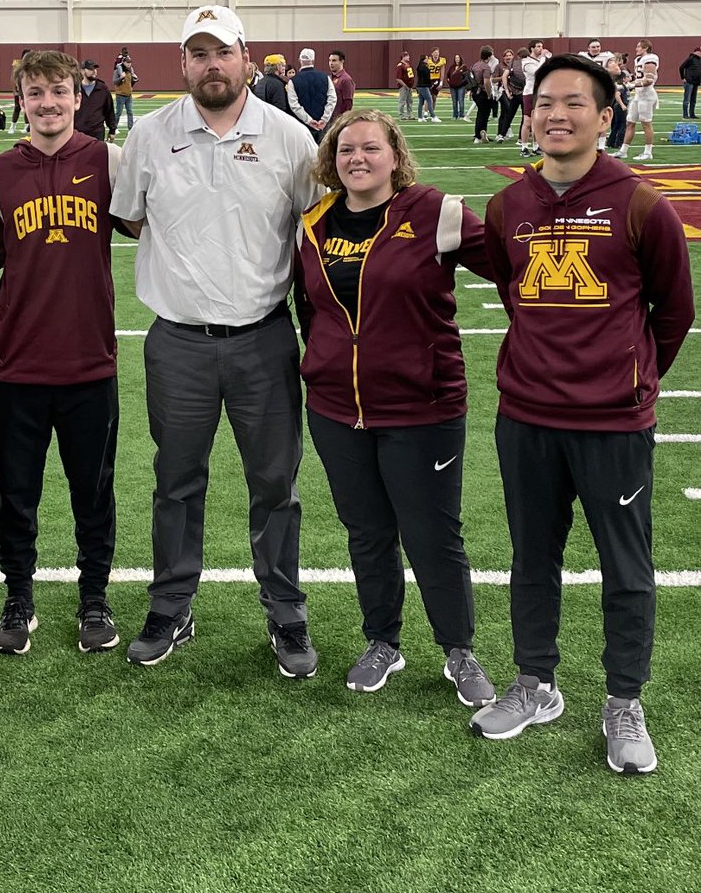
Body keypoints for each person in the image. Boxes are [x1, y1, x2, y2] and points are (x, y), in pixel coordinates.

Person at [470, 54, 694, 774]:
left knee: (626, 565)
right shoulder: (509, 206)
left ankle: (624, 699)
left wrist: (629, 378)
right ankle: (536, 683)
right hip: (527, 416)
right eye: (544, 104)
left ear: (606, 116)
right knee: (532, 558)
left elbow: (674, 309)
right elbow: (514, 294)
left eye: (574, 103)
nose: (554, 115)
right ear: (529, 115)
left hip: (613, 423)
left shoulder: (639, 203)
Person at [111, 4, 320, 678]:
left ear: (245, 58)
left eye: (221, 52)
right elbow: (131, 220)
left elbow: (315, 233)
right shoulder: (150, 135)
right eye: (197, 54)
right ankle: (171, 607)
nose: (211, 64)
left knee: (275, 486)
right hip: (178, 342)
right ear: (183, 64)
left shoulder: (289, 139)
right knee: (176, 481)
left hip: (264, 339)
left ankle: (285, 612)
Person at [295, 109, 496, 708]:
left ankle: (458, 649)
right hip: (335, 407)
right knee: (367, 532)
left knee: (434, 532)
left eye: (371, 148)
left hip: (422, 406)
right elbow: (310, 308)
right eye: (346, 149)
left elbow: (516, 273)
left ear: (394, 154)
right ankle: (383, 639)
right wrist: (326, 362)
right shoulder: (313, 221)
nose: (358, 158)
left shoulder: (437, 211)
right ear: (332, 159)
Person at [0, 51, 122, 658]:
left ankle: (94, 597)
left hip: (90, 360)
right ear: (21, 100)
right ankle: (18, 598)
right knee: (16, 493)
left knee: (94, 490)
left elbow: (157, 224)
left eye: (59, 90)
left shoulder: (109, 160)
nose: (49, 103)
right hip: (17, 364)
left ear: (77, 93)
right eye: (36, 93)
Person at [616, 40, 660, 162]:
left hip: (647, 95)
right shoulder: (638, 60)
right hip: (638, 96)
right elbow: (640, 77)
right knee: (630, 122)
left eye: (638, 47)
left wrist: (632, 85)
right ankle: (623, 151)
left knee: (646, 123)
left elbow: (649, 80)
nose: (636, 49)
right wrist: (628, 82)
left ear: (645, 48)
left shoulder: (650, 59)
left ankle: (648, 152)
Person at [288, 47, 337, 141]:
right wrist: (324, 119)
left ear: (300, 60)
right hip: (322, 126)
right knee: (323, 152)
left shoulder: (293, 81)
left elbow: (294, 105)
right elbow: (332, 99)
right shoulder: (325, 78)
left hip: (302, 125)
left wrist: (309, 120)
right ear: (313, 61)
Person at [519, 40, 551, 156]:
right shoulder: (526, 61)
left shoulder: (541, 60)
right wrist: (544, 58)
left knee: (538, 121)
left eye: (542, 46)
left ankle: (536, 146)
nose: (541, 49)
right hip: (530, 93)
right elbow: (537, 72)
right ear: (531, 48)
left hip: (541, 93)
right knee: (527, 121)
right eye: (538, 46)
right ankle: (523, 147)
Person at [76, 59, 116, 141]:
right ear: (82, 71)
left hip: (97, 133)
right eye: (91, 69)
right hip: (78, 132)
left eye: (95, 69)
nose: (94, 71)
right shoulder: (75, 89)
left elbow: (109, 110)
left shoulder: (103, 89)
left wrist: (112, 130)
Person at [469, 45, 497, 144]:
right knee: (483, 115)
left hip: (475, 92)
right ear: (489, 57)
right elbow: (486, 82)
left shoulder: (475, 65)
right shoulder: (486, 67)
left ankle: (481, 134)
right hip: (482, 93)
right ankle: (478, 136)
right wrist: (489, 94)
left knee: (480, 114)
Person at [113, 49, 138, 132]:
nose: (129, 64)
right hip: (120, 95)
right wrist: (121, 78)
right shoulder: (117, 71)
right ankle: (114, 127)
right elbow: (115, 82)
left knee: (130, 112)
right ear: (124, 62)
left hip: (128, 95)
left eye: (130, 62)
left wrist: (134, 80)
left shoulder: (130, 71)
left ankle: (130, 129)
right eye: (127, 62)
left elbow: (130, 83)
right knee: (118, 113)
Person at [328, 49, 356, 118]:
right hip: (329, 117)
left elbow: (348, 103)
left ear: (342, 61)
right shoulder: (329, 78)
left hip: (339, 118)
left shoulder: (346, 80)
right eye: (330, 60)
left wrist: (343, 119)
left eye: (334, 60)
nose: (331, 63)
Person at [677, 43, 701, 119]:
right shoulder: (691, 59)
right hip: (689, 81)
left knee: (693, 100)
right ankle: (685, 114)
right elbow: (681, 67)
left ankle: (692, 114)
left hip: (696, 82)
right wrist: (683, 77)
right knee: (687, 99)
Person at [446, 54, 469, 120]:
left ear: (460, 58)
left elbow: (466, 77)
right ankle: (455, 115)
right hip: (453, 87)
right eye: (456, 58)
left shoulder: (463, 67)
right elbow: (448, 76)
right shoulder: (452, 67)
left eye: (458, 57)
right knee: (454, 101)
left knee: (461, 101)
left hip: (461, 87)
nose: (457, 59)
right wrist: (449, 82)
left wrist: (462, 83)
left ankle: (461, 115)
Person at [415, 53, 436, 123]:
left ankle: (420, 117)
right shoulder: (424, 67)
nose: (428, 59)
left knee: (421, 102)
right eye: (427, 58)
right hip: (424, 86)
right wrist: (431, 84)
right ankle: (433, 116)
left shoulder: (419, 66)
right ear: (424, 59)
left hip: (419, 86)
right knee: (430, 100)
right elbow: (427, 78)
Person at [394, 51, 415, 120]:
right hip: (404, 86)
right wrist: (404, 85)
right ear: (403, 57)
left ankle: (410, 114)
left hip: (409, 86)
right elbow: (398, 78)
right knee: (402, 101)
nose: (409, 57)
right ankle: (401, 115)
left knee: (410, 101)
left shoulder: (407, 64)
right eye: (407, 56)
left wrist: (410, 86)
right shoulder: (400, 66)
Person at [428, 47, 447, 117]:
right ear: (432, 53)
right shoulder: (428, 60)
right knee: (428, 97)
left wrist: (441, 82)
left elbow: (442, 71)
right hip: (429, 80)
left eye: (438, 52)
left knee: (434, 97)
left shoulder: (442, 60)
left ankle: (432, 112)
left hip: (437, 79)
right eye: (435, 52)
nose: (437, 54)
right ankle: (426, 113)